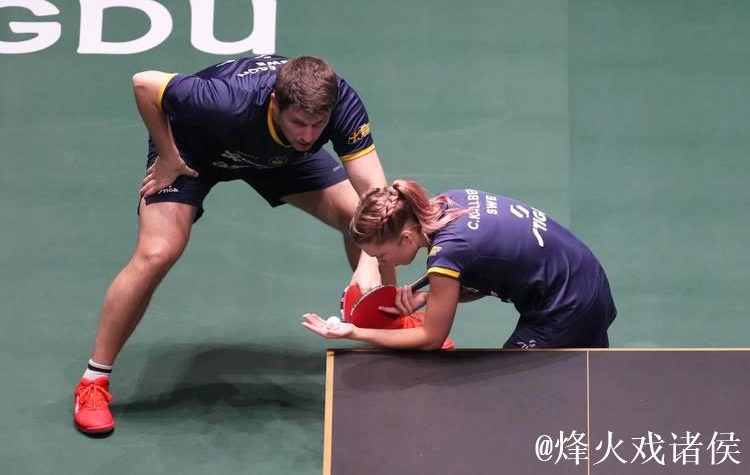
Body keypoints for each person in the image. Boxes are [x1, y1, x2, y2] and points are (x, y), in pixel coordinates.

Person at [73, 55, 395, 434]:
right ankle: (93, 381)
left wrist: (369, 261)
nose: (309, 135)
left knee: (363, 216)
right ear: (275, 102)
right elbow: (144, 83)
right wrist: (168, 155)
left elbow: (377, 196)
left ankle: (390, 326)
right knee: (158, 252)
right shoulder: (223, 100)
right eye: (298, 122)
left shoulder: (338, 101)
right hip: (195, 152)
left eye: (317, 124)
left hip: (281, 158)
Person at [302, 179, 617, 350]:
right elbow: (487, 273)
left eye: (381, 255)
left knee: (514, 395)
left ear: (406, 238)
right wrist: (428, 297)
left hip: (567, 305)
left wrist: (355, 333)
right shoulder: (447, 202)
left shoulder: (446, 254)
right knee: (588, 385)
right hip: (587, 276)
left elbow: (431, 339)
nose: (382, 262)